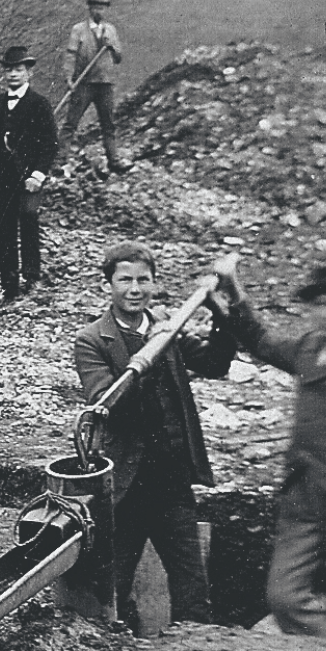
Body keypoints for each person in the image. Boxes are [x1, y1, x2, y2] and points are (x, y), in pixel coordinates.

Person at [73, 242, 233, 630]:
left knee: (192, 588)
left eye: (143, 280)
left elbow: (215, 363)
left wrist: (217, 312)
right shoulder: (92, 340)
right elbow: (108, 402)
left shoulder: (167, 326)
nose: (134, 289)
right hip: (125, 487)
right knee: (114, 589)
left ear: (154, 284)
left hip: (171, 482)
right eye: (124, 279)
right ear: (108, 285)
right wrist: (152, 347)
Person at [218, 260, 326, 636]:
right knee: (285, 597)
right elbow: (262, 341)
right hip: (304, 495)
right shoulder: (310, 347)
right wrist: (232, 294)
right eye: (321, 304)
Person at [0, 46, 59, 302]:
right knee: (4, 230)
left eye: (19, 70)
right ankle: (9, 288)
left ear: (28, 72)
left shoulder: (39, 103)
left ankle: (32, 277)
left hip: (28, 178)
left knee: (29, 220)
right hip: (2, 177)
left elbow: (50, 143)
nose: (13, 74)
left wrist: (38, 174)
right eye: (9, 70)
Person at [63, 0, 128, 172]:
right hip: (84, 83)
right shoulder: (79, 30)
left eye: (102, 8)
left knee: (108, 124)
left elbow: (118, 58)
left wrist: (112, 46)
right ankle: (59, 160)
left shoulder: (111, 30)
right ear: (90, 9)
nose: (99, 11)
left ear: (106, 10)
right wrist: (69, 77)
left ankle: (114, 160)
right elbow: (71, 55)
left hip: (105, 83)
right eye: (96, 7)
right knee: (71, 122)